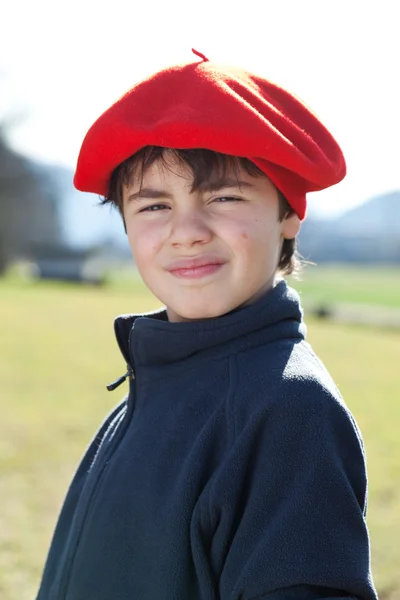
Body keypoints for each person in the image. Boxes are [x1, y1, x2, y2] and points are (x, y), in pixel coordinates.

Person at [36, 49, 378, 600]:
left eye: (223, 197)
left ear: (288, 212)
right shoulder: (154, 382)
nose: (187, 231)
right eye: (153, 207)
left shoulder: (287, 409)